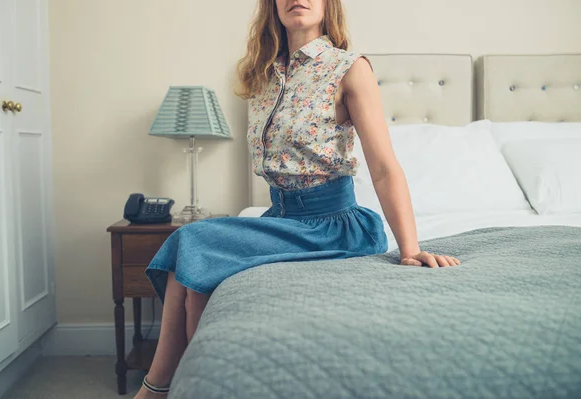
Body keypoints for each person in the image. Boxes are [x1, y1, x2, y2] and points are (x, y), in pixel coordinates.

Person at [135, 0, 460, 397]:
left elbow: (384, 167)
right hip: (281, 219)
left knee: (191, 240)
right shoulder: (263, 75)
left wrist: (410, 249)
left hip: (333, 226)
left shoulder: (349, 67)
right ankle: (187, 385)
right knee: (195, 278)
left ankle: (154, 389)